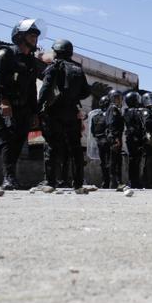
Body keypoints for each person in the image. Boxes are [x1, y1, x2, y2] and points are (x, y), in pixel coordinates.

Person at [0, 19, 42, 190]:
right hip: (6, 106)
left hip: (23, 109)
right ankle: (7, 178)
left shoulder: (30, 61)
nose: (35, 38)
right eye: (31, 35)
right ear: (20, 36)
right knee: (7, 141)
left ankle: (12, 177)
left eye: (36, 35)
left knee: (19, 142)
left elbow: (32, 90)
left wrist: (35, 113)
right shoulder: (6, 53)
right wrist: (4, 102)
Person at [38, 39, 90, 192]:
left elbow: (45, 89)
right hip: (72, 112)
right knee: (75, 149)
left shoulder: (54, 66)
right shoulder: (78, 68)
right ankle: (78, 183)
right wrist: (72, 97)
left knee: (51, 147)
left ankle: (50, 182)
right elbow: (86, 91)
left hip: (54, 112)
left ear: (56, 52)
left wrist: (38, 107)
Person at [123, 91, 145, 188]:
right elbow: (138, 126)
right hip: (135, 138)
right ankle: (134, 181)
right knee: (135, 160)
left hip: (131, 138)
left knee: (133, 160)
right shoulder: (134, 112)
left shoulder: (126, 111)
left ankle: (133, 181)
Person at [106, 89, 124, 188]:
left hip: (116, 136)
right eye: (117, 98)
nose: (119, 100)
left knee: (117, 160)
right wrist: (116, 138)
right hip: (114, 137)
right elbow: (112, 124)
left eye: (120, 98)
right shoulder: (113, 109)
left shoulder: (115, 108)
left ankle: (117, 182)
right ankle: (114, 183)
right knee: (114, 160)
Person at [91, 95, 111, 188]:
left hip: (100, 141)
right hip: (108, 141)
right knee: (110, 162)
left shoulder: (95, 117)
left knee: (103, 162)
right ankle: (110, 182)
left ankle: (105, 182)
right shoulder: (108, 116)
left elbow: (93, 131)